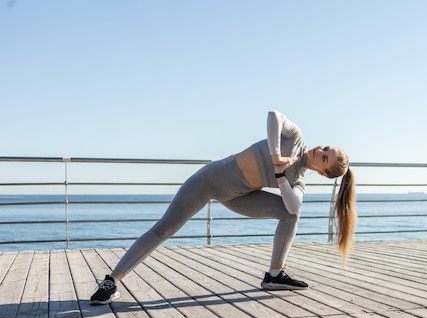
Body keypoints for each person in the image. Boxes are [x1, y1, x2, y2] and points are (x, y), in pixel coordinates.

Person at [90, 110, 356, 304]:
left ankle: (275, 274)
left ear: (322, 172)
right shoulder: (294, 139)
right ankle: (112, 281)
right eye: (325, 148)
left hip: (237, 197)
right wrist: (276, 156)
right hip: (209, 180)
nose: (319, 151)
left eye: (324, 157)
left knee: (290, 213)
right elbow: (274, 116)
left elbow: (293, 204)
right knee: (164, 228)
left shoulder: (297, 179)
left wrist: (280, 176)